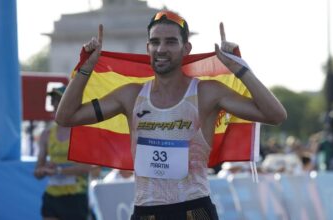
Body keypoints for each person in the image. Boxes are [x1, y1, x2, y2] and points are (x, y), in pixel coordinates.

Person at [56, 10, 287, 220]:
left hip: (194, 210)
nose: (161, 49)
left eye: (170, 42)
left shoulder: (206, 92)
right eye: (155, 42)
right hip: (145, 211)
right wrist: (87, 67)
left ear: (186, 48)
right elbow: (65, 117)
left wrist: (240, 68)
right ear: (147, 48)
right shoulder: (130, 95)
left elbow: (275, 115)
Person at [34, 86, 93, 220]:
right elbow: (37, 171)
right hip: (52, 196)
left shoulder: (82, 132)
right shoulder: (46, 134)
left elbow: (87, 168)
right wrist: (41, 171)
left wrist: (59, 171)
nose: (54, 104)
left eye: (58, 100)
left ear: (70, 103)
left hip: (76, 196)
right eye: (53, 100)